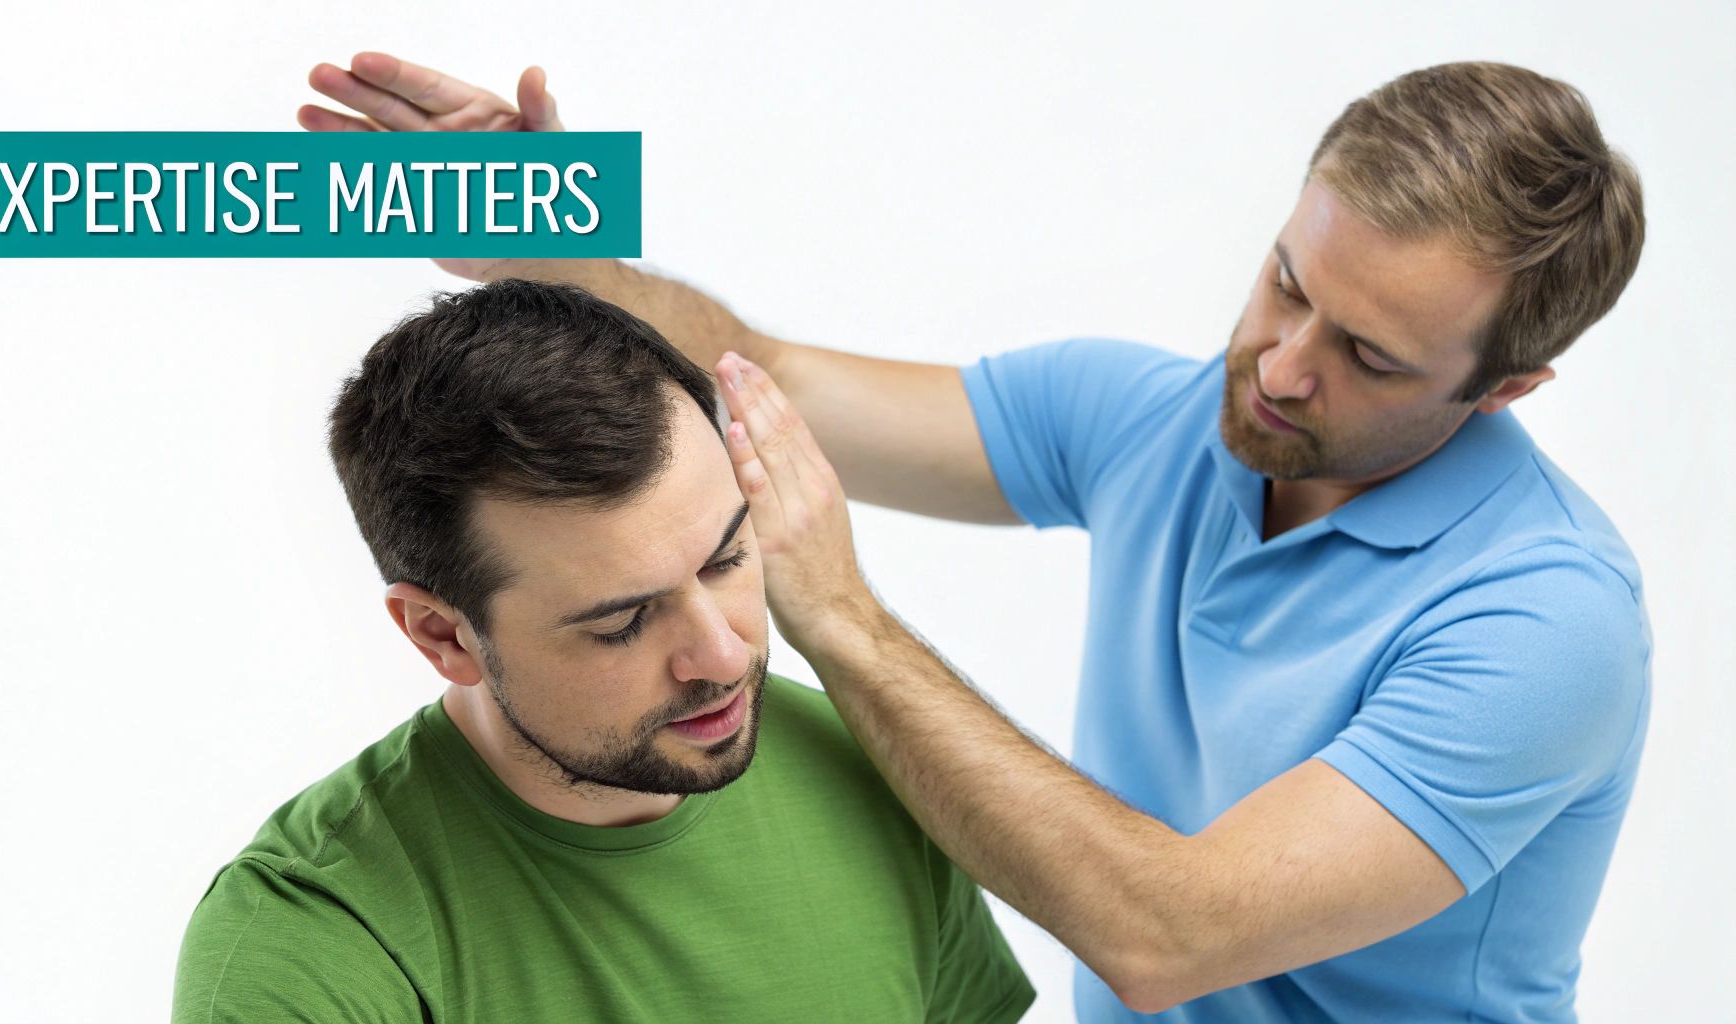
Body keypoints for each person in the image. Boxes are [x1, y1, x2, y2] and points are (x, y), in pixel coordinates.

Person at [300, 55, 1650, 1022]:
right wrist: (553, 238)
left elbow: (1167, 938)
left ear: (1504, 389)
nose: (1283, 369)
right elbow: (771, 382)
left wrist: (844, 621)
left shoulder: (1543, 621)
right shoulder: (1156, 421)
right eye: (1286, 284)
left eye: (1368, 355)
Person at [169, 280, 1035, 1022]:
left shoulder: (868, 764)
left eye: (728, 559)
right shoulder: (317, 937)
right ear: (442, 633)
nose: (722, 656)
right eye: (623, 621)